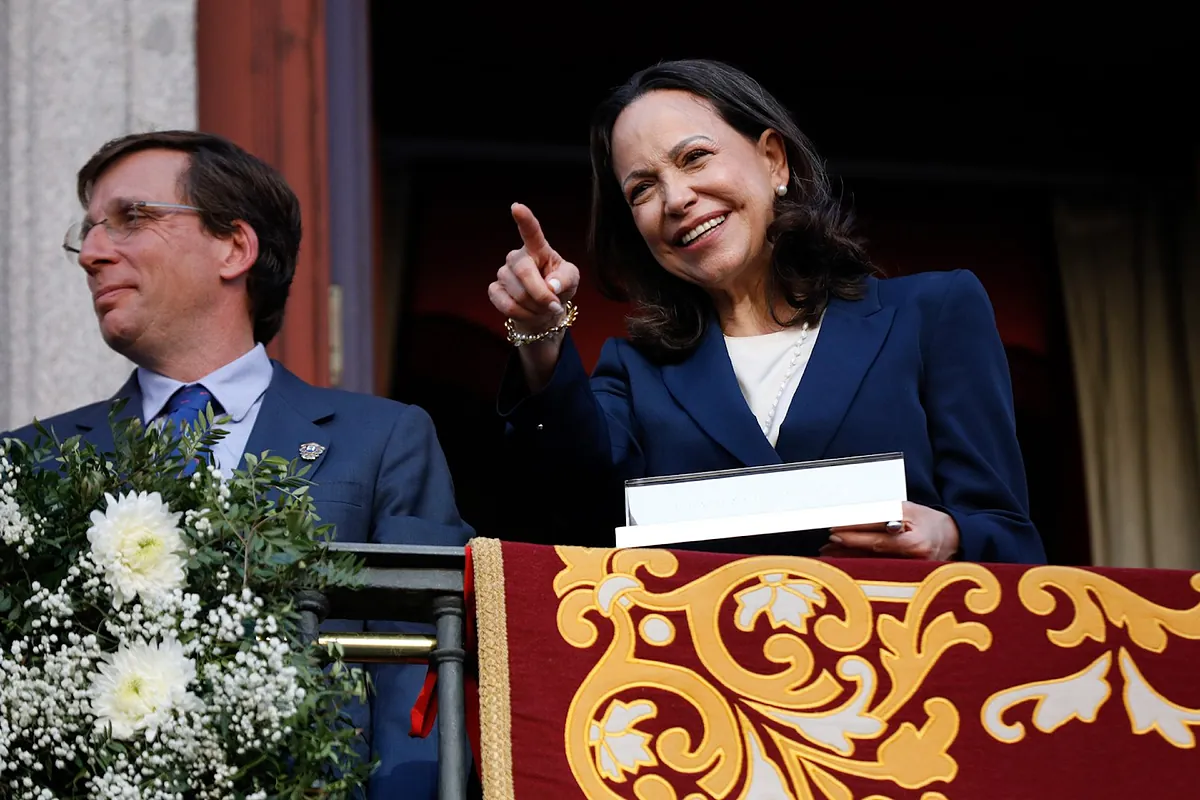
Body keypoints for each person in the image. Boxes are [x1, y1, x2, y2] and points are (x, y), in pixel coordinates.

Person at [2, 130, 472, 797]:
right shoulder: (32, 460)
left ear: (234, 247)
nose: (95, 254)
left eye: (131, 219)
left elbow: (419, 688)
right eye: (89, 232)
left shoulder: (384, 440)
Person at [488, 59, 1045, 564]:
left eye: (695, 157)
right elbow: (573, 526)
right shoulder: (635, 373)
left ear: (774, 161)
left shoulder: (934, 313)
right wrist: (540, 340)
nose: (676, 198)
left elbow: (1013, 542)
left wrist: (950, 536)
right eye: (642, 189)